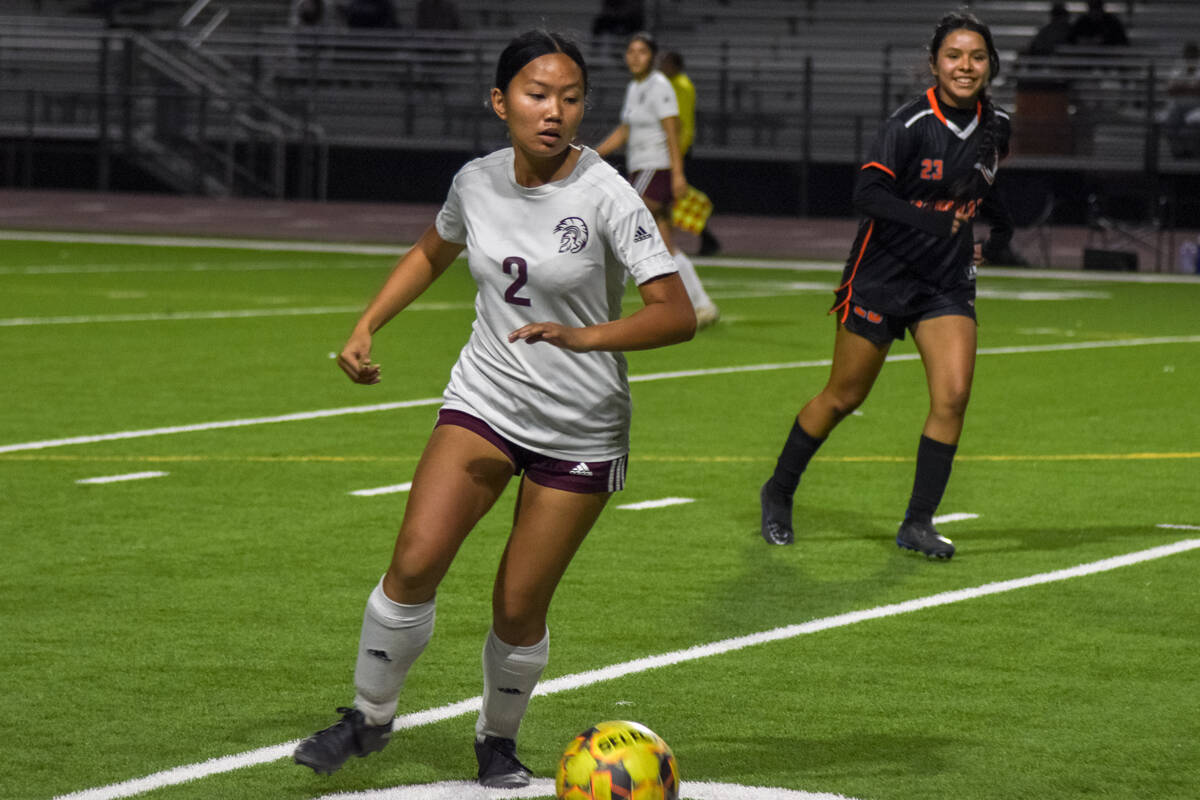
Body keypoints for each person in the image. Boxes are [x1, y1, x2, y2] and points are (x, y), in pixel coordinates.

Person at [292, 29, 695, 788]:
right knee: (414, 561)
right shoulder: (475, 181)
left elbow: (673, 313)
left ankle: (497, 741)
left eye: (571, 99)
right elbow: (430, 251)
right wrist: (368, 323)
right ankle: (367, 718)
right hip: (484, 399)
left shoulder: (608, 194)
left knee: (517, 605)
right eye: (538, 95)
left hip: (581, 426)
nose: (555, 112)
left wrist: (585, 336)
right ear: (500, 101)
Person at [758, 11, 1011, 559]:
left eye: (976, 56)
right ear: (935, 63)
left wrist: (1002, 231)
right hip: (881, 276)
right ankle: (778, 490)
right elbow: (867, 196)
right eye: (954, 56)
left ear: (991, 64)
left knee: (954, 395)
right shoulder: (908, 123)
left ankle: (917, 523)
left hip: (945, 282)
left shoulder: (998, 125)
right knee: (844, 396)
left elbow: (983, 185)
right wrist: (935, 222)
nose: (965, 66)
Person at [596, 32, 720, 328]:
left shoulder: (659, 86)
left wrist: (677, 173)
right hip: (641, 170)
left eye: (641, 51)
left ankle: (600, 306)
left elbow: (671, 131)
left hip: (656, 169)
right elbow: (625, 131)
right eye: (630, 51)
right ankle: (703, 305)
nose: (634, 57)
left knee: (620, 224)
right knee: (665, 245)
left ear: (652, 57)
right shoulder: (634, 87)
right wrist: (592, 153)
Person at [659, 50, 723, 257]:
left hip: (677, 149)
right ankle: (705, 238)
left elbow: (681, 122)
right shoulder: (673, 85)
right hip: (673, 147)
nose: (662, 67)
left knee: (674, 196)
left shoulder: (681, 86)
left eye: (666, 63)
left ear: (676, 66)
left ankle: (705, 237)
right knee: (672, 197)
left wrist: (677, 151)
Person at [1164, 41, 1200, 158]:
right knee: (1170, 125)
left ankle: (1190, 152)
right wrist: (1190, 87)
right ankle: (1178, 152)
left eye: (1193, 56)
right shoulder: (1178, 67)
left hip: (1197, 106)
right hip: (1178, 105)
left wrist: (1182, 86)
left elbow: (1197, 90)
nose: (1190, 58)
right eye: (1188, 56)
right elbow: (1171, 89)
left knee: (1189, 128)